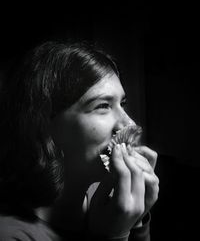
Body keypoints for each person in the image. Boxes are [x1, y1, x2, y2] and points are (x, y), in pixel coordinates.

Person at [0, 41, 159, 240]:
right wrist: (114, 236)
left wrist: (135, 222)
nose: (128, 123)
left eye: (122, 103)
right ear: (45, 125)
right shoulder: (10, 234)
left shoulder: (108, 199)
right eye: (103, 105)